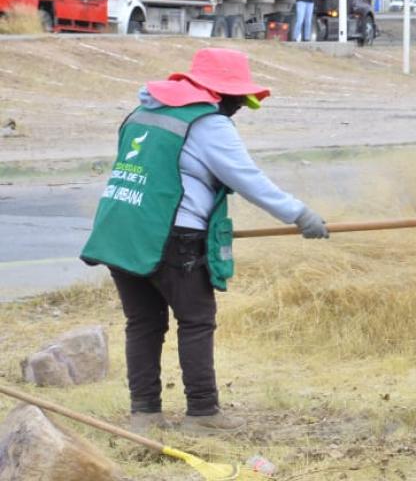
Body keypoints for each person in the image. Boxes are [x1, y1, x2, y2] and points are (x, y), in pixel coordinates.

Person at [80, 48, 330, 434]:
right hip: (171, 237)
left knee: (143, 324)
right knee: (196, 322)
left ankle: (144, 414)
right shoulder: (207, 124)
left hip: (121, 231)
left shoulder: (143, 112)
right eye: (238, 100)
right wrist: (300, 215)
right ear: (220, 93)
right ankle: (203, 415)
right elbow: (247, 178)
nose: (239, 109)